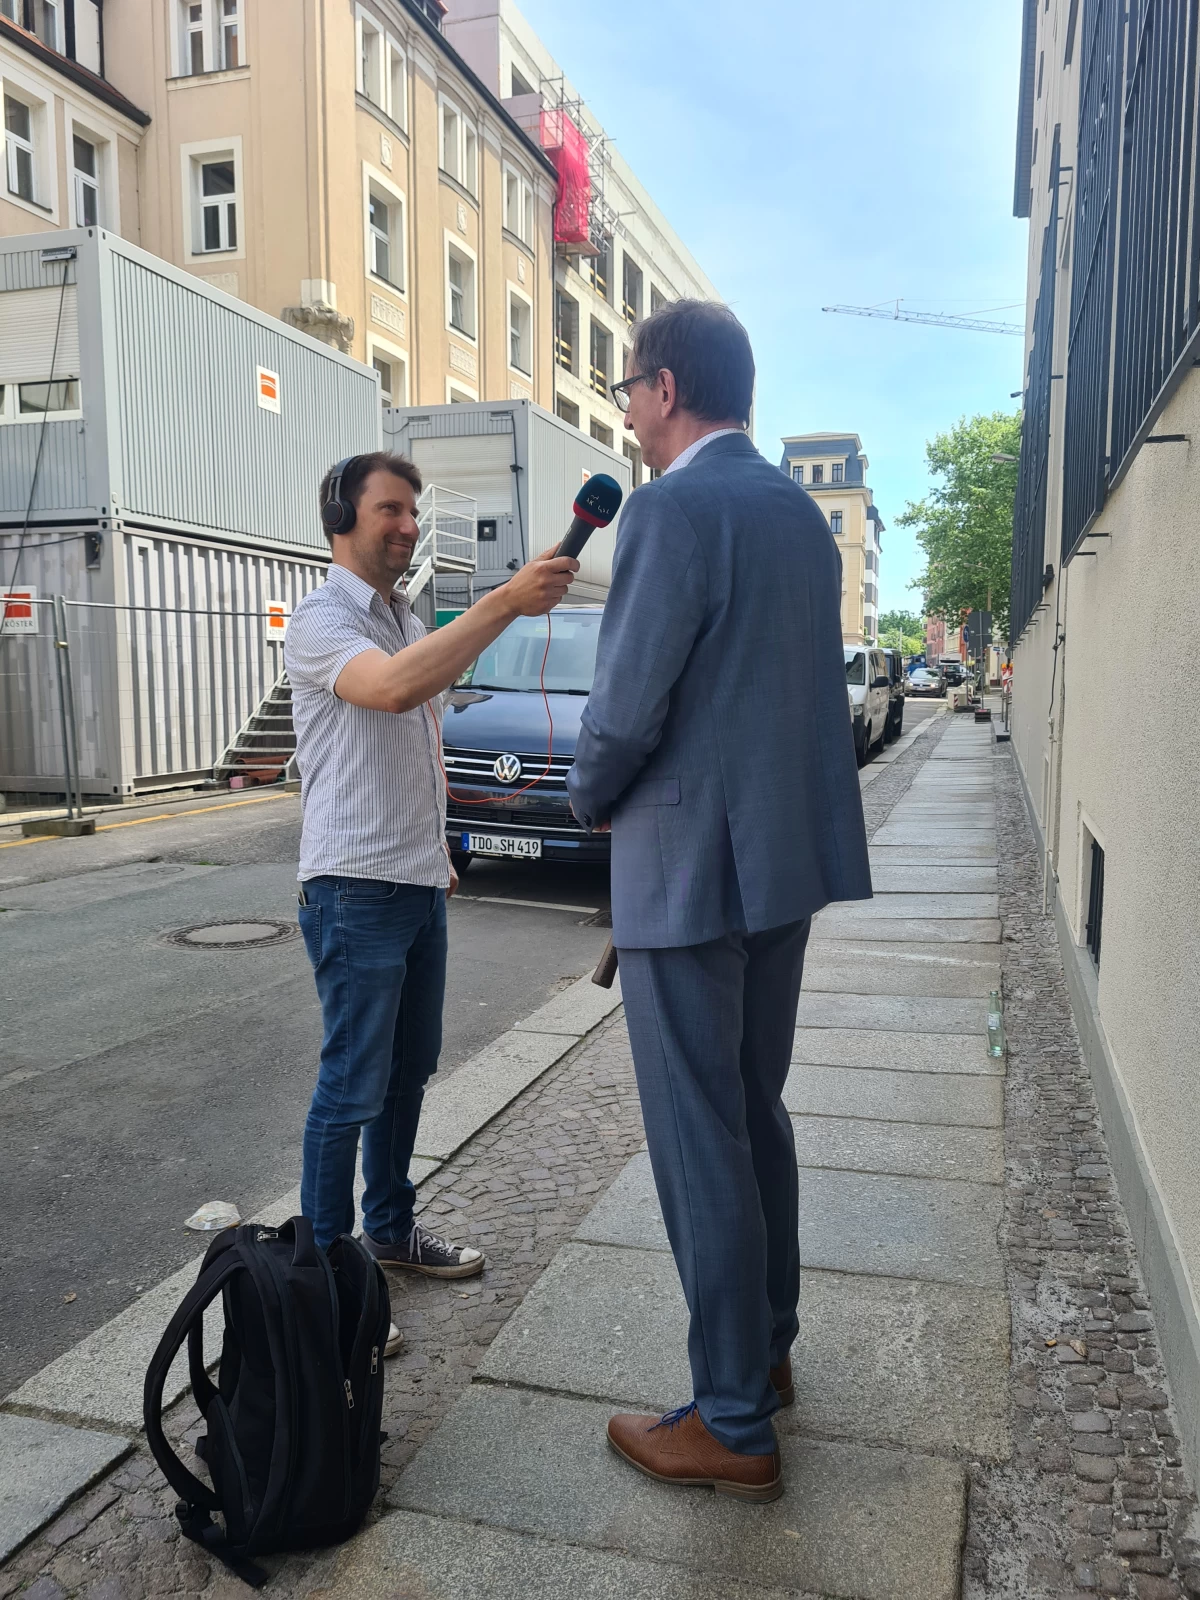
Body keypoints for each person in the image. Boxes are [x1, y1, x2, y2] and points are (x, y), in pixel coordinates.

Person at [567, 302, 871, 1501]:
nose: (627, 412)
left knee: (701, 1138)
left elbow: (629, 700)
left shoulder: (672, 508)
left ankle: (733, 1418)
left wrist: (586, 792)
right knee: (755, 1108)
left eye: (630, 388)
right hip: (780, 864)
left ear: (670, 385)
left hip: (689, 869)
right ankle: (770, 1348)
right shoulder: (802, 517)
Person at [285, 452, 577, 1357]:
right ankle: (327, 1285)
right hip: (353, 884)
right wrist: (502, 603)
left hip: (414, 880)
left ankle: (389, 1230)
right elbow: (394, 690)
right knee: (351, 1086)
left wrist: (438, 850)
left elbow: (418, 739)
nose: (409, 525)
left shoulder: (404, 616)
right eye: (391, 510)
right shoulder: (323, 618)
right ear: (343, 517)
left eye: (414, 511)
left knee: (409, 1074)